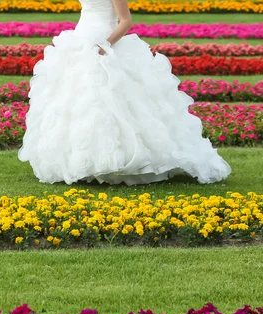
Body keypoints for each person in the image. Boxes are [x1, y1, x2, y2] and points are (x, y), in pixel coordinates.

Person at [18, 0, 231, 185]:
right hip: (81, 40)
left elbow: (126, 21)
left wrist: (106, 45)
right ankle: (84, 161)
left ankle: (124, 161)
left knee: (113, 100)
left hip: (105, 42)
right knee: (79, 102)